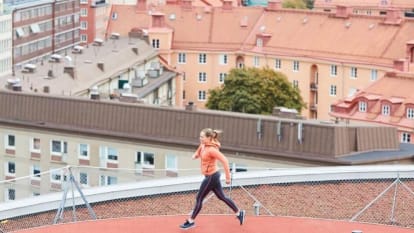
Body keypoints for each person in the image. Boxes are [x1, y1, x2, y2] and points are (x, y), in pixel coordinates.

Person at [179, 128, 245, 229]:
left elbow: (225, 161)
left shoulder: (212, 150)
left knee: (199, 198)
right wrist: (195, 155)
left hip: (212, 176)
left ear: (209, 138)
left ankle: (190, 221)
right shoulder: (203, 145)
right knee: (221, 197)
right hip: (211, 176)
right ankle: (239, 213)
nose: (200, 138)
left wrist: (228, 177)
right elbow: (199, 150)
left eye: (202, 137)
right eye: (200, 136)